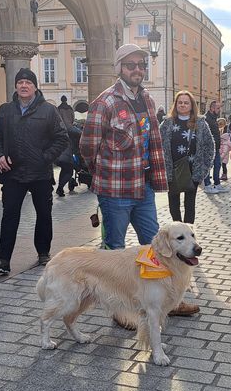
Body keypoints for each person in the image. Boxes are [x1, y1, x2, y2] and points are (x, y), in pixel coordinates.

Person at [80, 44, 198, 317]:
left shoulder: (148, 100)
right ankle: (119, 311)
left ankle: (169, 301)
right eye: (131, 65)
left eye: (141, 65)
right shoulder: (105, 101)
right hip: (116, 191)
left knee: (159, 247)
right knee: (114, 253)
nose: (137, 70)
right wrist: (106, 172)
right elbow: (87, 146)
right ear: (119, 68)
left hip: (143, 188)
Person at [0, 68, 68, 274]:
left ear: (35, 87)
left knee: (44, 214)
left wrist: (45, 158)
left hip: (40, 174)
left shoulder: (48, 110)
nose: (24, 85)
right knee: (9, 215)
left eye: (28, 82)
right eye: (20, 82)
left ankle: (43, 252)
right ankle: (2, 259)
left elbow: (61, 137)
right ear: (16, 86)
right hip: (13, 173)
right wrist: (0, 155)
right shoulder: (5, 110)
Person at [159, 90, 214, 224]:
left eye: (186, 103)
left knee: (190, 205)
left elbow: (210, 146)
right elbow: (158, 144)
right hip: (172, 171)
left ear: (191, 105)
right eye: (180, 102)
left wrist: (204, 169)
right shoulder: (167, 123)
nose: (183, 105)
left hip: (192, 171)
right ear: (176, 104)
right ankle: (178, 231)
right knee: (173, 204)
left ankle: (189, 233)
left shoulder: (200, 123)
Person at [203, 101, 227, 193]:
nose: (219, 110)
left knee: (218, 164)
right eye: (217, 108)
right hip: (209, 147)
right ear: (212, 108)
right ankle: (207, 185)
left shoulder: (214, 118)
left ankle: (217, 184)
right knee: (208, 166)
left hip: (215, 147)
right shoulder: (207, 118)